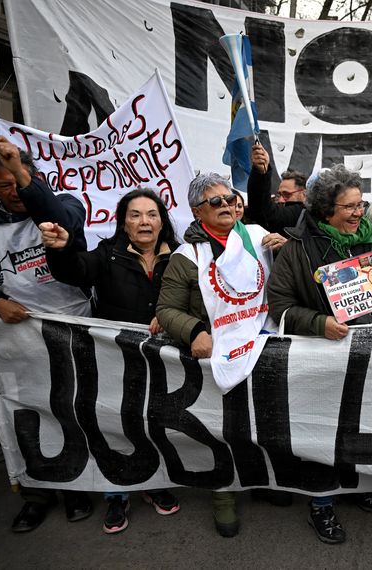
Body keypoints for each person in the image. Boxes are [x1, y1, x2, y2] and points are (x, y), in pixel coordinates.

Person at [267, 164, 372, 544]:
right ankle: (321, 503)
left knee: (368, 422)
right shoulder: (297, 249)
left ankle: (355, 485)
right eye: (348, 207)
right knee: (326, 430)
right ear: (325, 211)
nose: (357, 213)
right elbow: (280, 306)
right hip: (328, 356)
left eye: (360, 204)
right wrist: (321, 324)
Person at [0, 136, 94, 532]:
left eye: (22, 180)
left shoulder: (64, 205)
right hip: (16, 338)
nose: (16, 190)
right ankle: (38, 493)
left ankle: (79, 487)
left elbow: (66, 223)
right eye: (7, 185)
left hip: (68, 330)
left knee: (73, 408)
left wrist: (21, 172)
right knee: (29, 415)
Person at [38, 188, 182, 533]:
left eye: (151, 214)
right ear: (123, 223)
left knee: (155, 424)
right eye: (135, 215)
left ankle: (154, 483)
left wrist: (172, 315)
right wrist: (60, 249)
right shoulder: (106, 255)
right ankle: (116, 495)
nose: (144, 221)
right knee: (116, 425)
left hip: (164, 361)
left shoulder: (181, 256)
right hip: (116, 361)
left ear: (162, 222)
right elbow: (73, 270)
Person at [156, 172, 283, 539]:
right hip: (214, 358)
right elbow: (167, 309)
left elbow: (287, 280)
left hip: (262, 346)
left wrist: (286, 247)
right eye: (216, 202)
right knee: (222, 429)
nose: (227, 205)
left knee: (262, 422)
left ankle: (261, 481)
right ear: (198, 212)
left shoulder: (259, 237)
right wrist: (194, 331)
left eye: (230, 198)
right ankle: (223, 493)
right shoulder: (186, 257)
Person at [245, 145, 305, 234]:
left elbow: (266, 212)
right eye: (279, 195)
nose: (280, 200)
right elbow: (260, 212)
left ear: (304, 195)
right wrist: (260, 172)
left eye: (287, 195)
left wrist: (261, 174)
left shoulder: (303, 214)